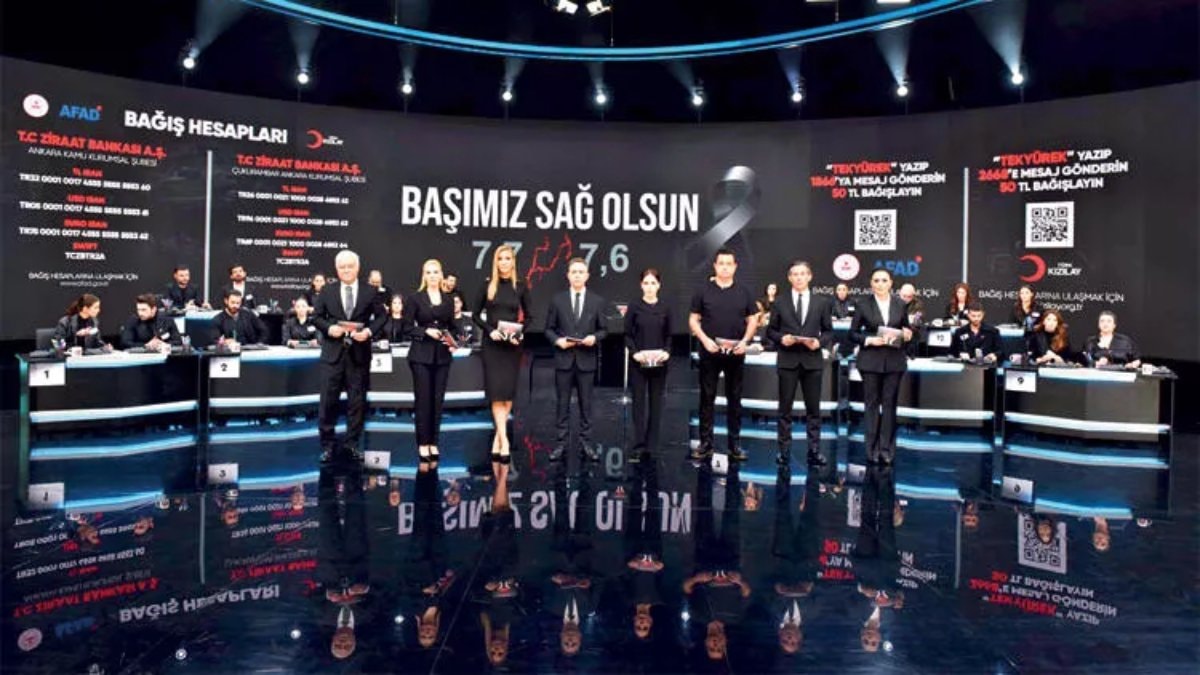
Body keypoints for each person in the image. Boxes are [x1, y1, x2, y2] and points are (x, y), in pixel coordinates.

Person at [312, 250, 387, 463]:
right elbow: (316, 317)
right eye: (342, 267)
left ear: (357, 267)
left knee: (357, 402)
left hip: (359, 354)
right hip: (332, 355)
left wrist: (368, 332)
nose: (346, 270)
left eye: (350, 266)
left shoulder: (370, 291)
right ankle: (327, 446)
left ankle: (352, 444)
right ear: (337, 269)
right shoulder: (327, 290)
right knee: (328, 402)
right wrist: (329, 328)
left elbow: (382, 316)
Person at [689, 248, 759, 463]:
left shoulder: (745, 292)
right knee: (707, 397)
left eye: (729, 263)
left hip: (736, 352)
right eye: (721, 263)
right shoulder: (703, 291)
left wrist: (745, 342)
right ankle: (705, 443)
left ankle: (734, 445)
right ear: (715, 266)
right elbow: (693, 320)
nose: (725, 267)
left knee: (734, 399)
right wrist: (705, 340)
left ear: (735, 266)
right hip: (710, 351)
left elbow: (753, 320)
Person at [766, 260, 834, 467]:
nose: (799, 278)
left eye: (803, 274)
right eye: (795, 274)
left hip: (812, 361)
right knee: (784, 409)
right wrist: (781, 339)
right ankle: (784, 451)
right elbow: (770, 330)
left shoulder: (822, 302)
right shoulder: (780, 302)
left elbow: (828, 331)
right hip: (788, 360)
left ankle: (814, 451)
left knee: (813, 409)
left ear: (810, 276)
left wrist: (819, 342)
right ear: (789, 278)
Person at [544, 258, 608, 462]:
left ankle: (586, 443)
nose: (578, 275)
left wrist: (594, 338)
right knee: (562, 404)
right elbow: (548, 329)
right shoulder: (557, 300)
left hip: (586, 360)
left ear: (587, 276)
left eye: (581, 272)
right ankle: (560, 443)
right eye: (574, 272)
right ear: (568, 275)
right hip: (564, 359)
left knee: (586, 405)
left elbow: (604, 330)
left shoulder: (597, 301)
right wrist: (558, 341)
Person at [473, 244, 532, 464]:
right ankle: (504, 440)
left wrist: (520, 333)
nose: (504, 262)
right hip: (493, 346)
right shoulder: (487, 286)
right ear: (495, 262)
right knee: (497, 394)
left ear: (513, 262)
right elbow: (476, 315)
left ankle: (498, 438)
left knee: (507, 395)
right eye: (500, 258)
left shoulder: (521, 287)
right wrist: (490, 331)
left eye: (508, 258)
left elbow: (531, 317)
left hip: (512, 347)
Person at [849, 268, 912, 465]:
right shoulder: (862, 304)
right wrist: (869, 340)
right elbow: (852, 333)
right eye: (876, 280)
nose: (880, 284)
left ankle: (887, 449)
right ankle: (872, 450)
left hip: (894, 361)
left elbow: (906, 330)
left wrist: (908, 334)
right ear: (871, 284)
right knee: (872, 405)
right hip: (870, 361)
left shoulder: (900, 304)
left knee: (890, 405)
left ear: (891, 283)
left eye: (884, 280)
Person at [406, 259, 456, 462]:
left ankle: (434, 442)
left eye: (436, 272)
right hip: (420, 356)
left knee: (437, 400)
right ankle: (423, 443)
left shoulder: (448, 300)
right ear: (424, 275)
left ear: (441, 274)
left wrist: (453, 341)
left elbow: (453, 327)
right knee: (423, 401)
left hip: (442, 356)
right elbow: (407, 327)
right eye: (429, 272)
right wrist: (425, 331)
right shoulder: (414, 298)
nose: (433, 275)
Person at [624, 268, 672, 464]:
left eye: (653, 283)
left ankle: (652, 447)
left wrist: (666, 352)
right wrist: (635, 353)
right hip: (639, 362)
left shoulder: (666, 307)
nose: (650, 287)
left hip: (659, 363)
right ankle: (638, 445)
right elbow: (627, 335)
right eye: (646, 283)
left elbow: (669, 335)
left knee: (656, 403)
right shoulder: (634, 306)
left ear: (659, 285)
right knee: (638, 404)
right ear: (641, 285)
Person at [898, 283, 925, 358]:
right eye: (904, 296)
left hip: (911, 335)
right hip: (897, 333)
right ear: (900, 293)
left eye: (909, 297)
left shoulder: (918, 304)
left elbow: (917, 320)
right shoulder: (894, 302)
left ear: (913, 296)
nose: (906, 299)